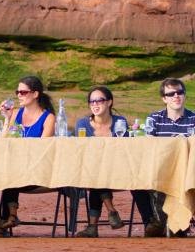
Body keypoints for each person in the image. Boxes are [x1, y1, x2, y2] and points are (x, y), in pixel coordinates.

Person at [132, 78, 195, 237]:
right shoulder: (154, 118)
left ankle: (179, 222)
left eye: (180, 92)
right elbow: (148, 145)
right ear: (164, 98)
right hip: (160, 170)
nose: (176, 96)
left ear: (184, 95)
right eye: (171, 93)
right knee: (135, 180)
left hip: (187, 172)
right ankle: (153, 222)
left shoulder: (194, 118)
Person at [0, 75, 57, 229]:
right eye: (17, 92)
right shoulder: (16, 114)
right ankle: (1, 218)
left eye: (23, 92)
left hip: (38, 169)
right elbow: (4, 142)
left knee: (10, 175)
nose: (19, 95)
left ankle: (9, 217)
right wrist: (6, 118)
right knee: (5, 173)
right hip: (17, 167)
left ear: (35, 94)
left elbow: (44, 149)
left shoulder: (48, 117)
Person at [73, 86, 128, 237]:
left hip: (118, 169)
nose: (95, 104)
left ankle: (93, 226)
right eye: (92, 101)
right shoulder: (82, 124)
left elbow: (126, 148)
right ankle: (110, 210)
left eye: (100, 100)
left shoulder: (120, 122)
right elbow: (81, 151)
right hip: (89, 170)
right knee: (95, 171)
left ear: (109, 102)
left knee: (97, 173)